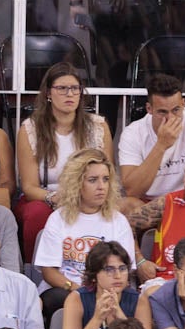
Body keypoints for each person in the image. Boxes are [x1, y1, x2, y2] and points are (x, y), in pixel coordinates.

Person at [14, 64, 112, 261]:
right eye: (62, 88)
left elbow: (108, 176)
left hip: (89, 195)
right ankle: (36, 269)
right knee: (35, 213)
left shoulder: (98, 126)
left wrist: (83, 199)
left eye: (75, 88)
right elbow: (29, 186)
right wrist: (56, 198)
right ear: (49, 93)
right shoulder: (30, 129)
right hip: (46, 197)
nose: (70, 94)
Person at [34, 148, 138, 323]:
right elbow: (48, 271)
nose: (101, 186)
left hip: (109, 287)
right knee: (56, 299)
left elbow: (126, 270)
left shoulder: (118, 221)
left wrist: (101, 291)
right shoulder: (58, 219)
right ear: (77, 183)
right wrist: (78, 289)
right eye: (93, 180)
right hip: (67, 288)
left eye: (106, 180)